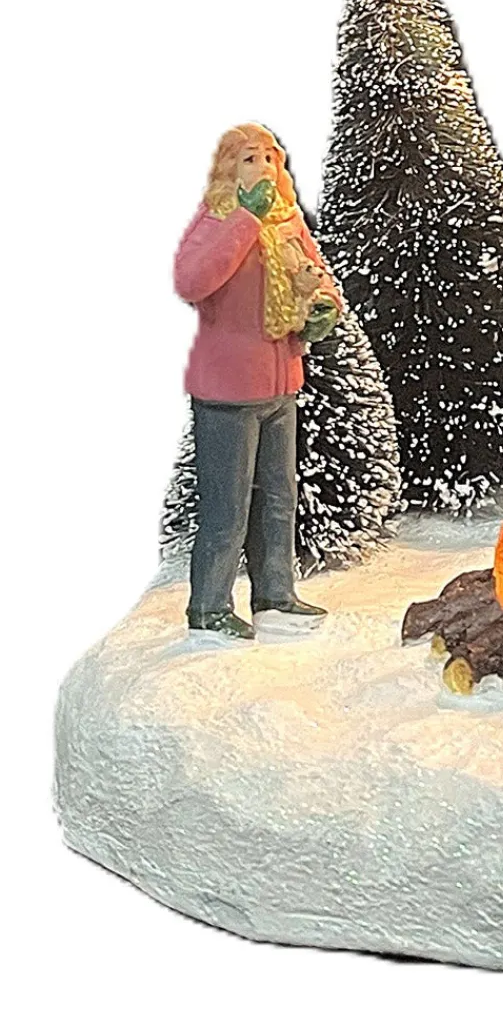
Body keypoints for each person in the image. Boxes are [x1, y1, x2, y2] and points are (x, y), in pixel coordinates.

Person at [173, 125, 342, 639]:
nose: (263, 168)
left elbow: (317, 274)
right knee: (227, 506)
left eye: (269, 158)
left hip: (281, 382)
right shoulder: (218, 219)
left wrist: (322, 306)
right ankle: (209, 607)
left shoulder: (288, 221)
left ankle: (274, 595)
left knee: (278, 498)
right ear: (230, 168)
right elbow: (192, 281)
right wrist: (244, 220)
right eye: (250, 159)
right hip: (228, 390)